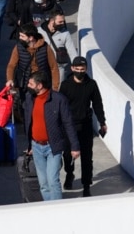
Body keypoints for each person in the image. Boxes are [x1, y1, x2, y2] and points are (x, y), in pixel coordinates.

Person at [23, 71, 79, 201]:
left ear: (40, 85)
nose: (28, 85)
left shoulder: (59, 100)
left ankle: (57, 212)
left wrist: (75, 147)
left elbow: (68, 123)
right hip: (36, 146)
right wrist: (29, 145)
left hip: (53, 147)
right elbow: (28, 122)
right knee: (43, 183)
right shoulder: (30, 98)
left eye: (31, 84)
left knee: (53, 180)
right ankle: (48, 209)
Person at [59, 56, 107, 197]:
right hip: (69, 126)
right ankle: (69, 173)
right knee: (67, 155)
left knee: (87, 157)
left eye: (83, 69)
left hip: (85, 125)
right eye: (77, 69)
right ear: (72, 68)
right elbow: (60, 106)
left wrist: (102, 122)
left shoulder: (91, 84)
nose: (80, 72)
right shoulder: (66, 85)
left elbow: (97, 104)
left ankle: (86, 185)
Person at [38, 10, 77, 82]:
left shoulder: (65, 33)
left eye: (63, 21)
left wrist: (76, 64)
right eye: (60, 22)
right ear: (52, 21)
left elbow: (72, 51)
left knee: (58, 90)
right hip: (42, 67)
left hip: (58, 68)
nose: (63, 24)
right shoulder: (39, 31)